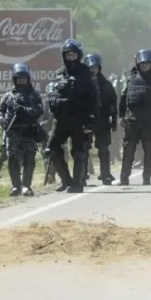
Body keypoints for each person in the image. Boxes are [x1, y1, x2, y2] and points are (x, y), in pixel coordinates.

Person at [45, 39, 100, 193]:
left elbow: (94, 99)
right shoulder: (58, 74)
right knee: (51, 150)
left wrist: (91, 120)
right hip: (60, 119)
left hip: (79, 118)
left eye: (74, 54)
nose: (71, 57)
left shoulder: (87, 73)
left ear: (79, 55)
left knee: (79, 151)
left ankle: (77, 184)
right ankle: (66, 180)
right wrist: (54, 102)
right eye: (68, 55)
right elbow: (51, 93)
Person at [118, 49, 151, 185]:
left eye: (147, 63)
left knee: (149, 150)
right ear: (138, 64)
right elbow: (123, 97)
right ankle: (124, 178)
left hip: (149, 120)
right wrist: (121, 116)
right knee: (128, 149)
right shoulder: (130, 78)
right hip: (131, 119)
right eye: (142, 63)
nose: (144, 66)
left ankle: (147, 178)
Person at [0, 63, 46, 196]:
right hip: (13, 132)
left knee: (29, 159)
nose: (22, 81)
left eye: (24, 78)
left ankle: (26, 186)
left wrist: (25, 110)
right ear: (15, 79)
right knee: (13, 159)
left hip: (29, 131)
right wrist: (3, 121)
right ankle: (15, 186)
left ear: (28, 79)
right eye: (19, 78)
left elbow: (40, 110)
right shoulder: (8, 96)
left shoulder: (34, 95)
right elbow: (0, 112)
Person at [85, 53, 118, 185]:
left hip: (103, 120)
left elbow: (113, 103)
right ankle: (82, 174)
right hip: (86, 120)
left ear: (99, 67)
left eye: (95, 67)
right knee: (83, 148)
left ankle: (105, 174)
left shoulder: (106, 84)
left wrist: (114, 120)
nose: (93, 69)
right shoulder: (82, 83)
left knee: (103, 148)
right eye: (90, 67)